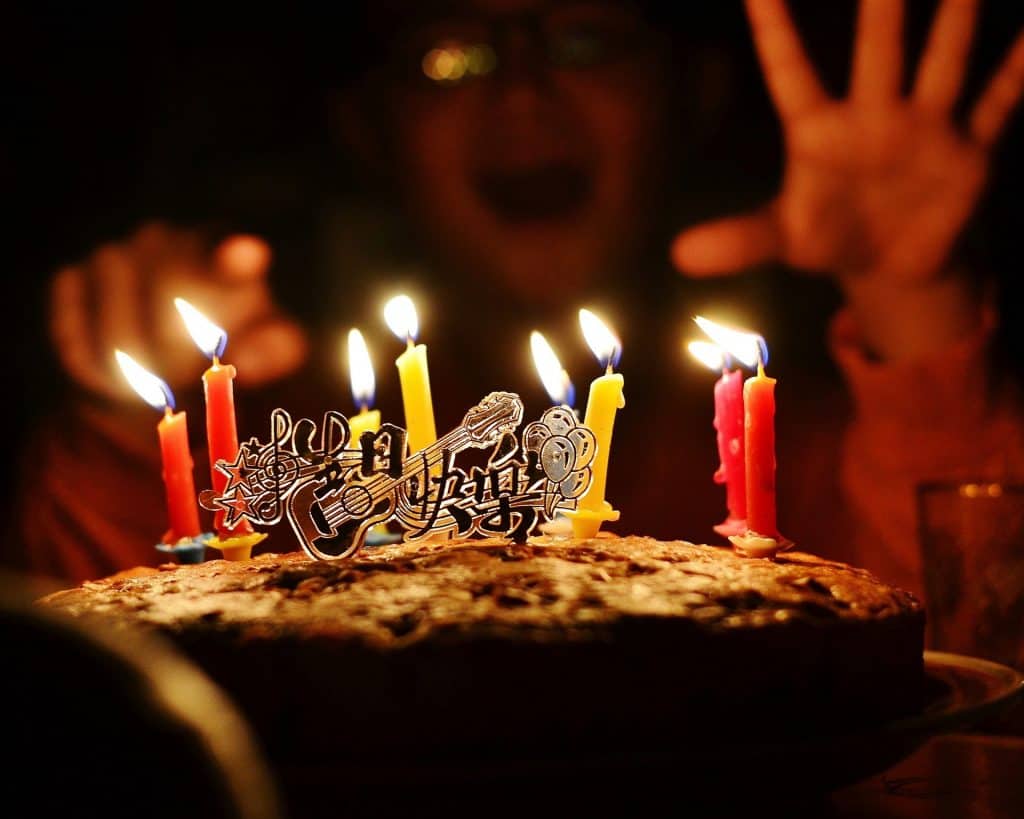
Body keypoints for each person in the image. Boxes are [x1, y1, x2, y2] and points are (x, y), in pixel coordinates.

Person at [7, 0, 1024, 625]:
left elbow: (958, 652)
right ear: (368, 127)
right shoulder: (294, 460)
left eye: (584, 36)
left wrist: (910, 299)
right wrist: (125, 418)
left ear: (690, 93)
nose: (525, 93)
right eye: (453, 53)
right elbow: (108, 704)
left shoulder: (800, 445)